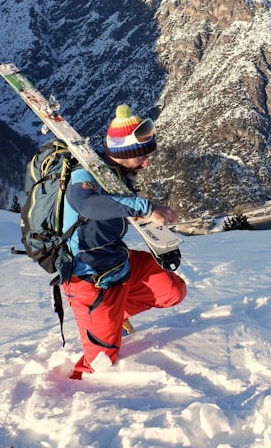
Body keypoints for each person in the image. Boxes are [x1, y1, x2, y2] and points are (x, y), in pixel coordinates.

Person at [61, 104, 187, 379]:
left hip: (118, 262)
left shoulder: (117, 176)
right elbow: (87, 205)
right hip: (88, 277)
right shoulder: (84, 173)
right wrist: (144, 207)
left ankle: (118, 314)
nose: (146, 163)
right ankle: (75, 397)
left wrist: (153, 212)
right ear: (123, 153)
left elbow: (122, 206)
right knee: (101, 363)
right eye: (141, 157)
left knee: (172, 291)